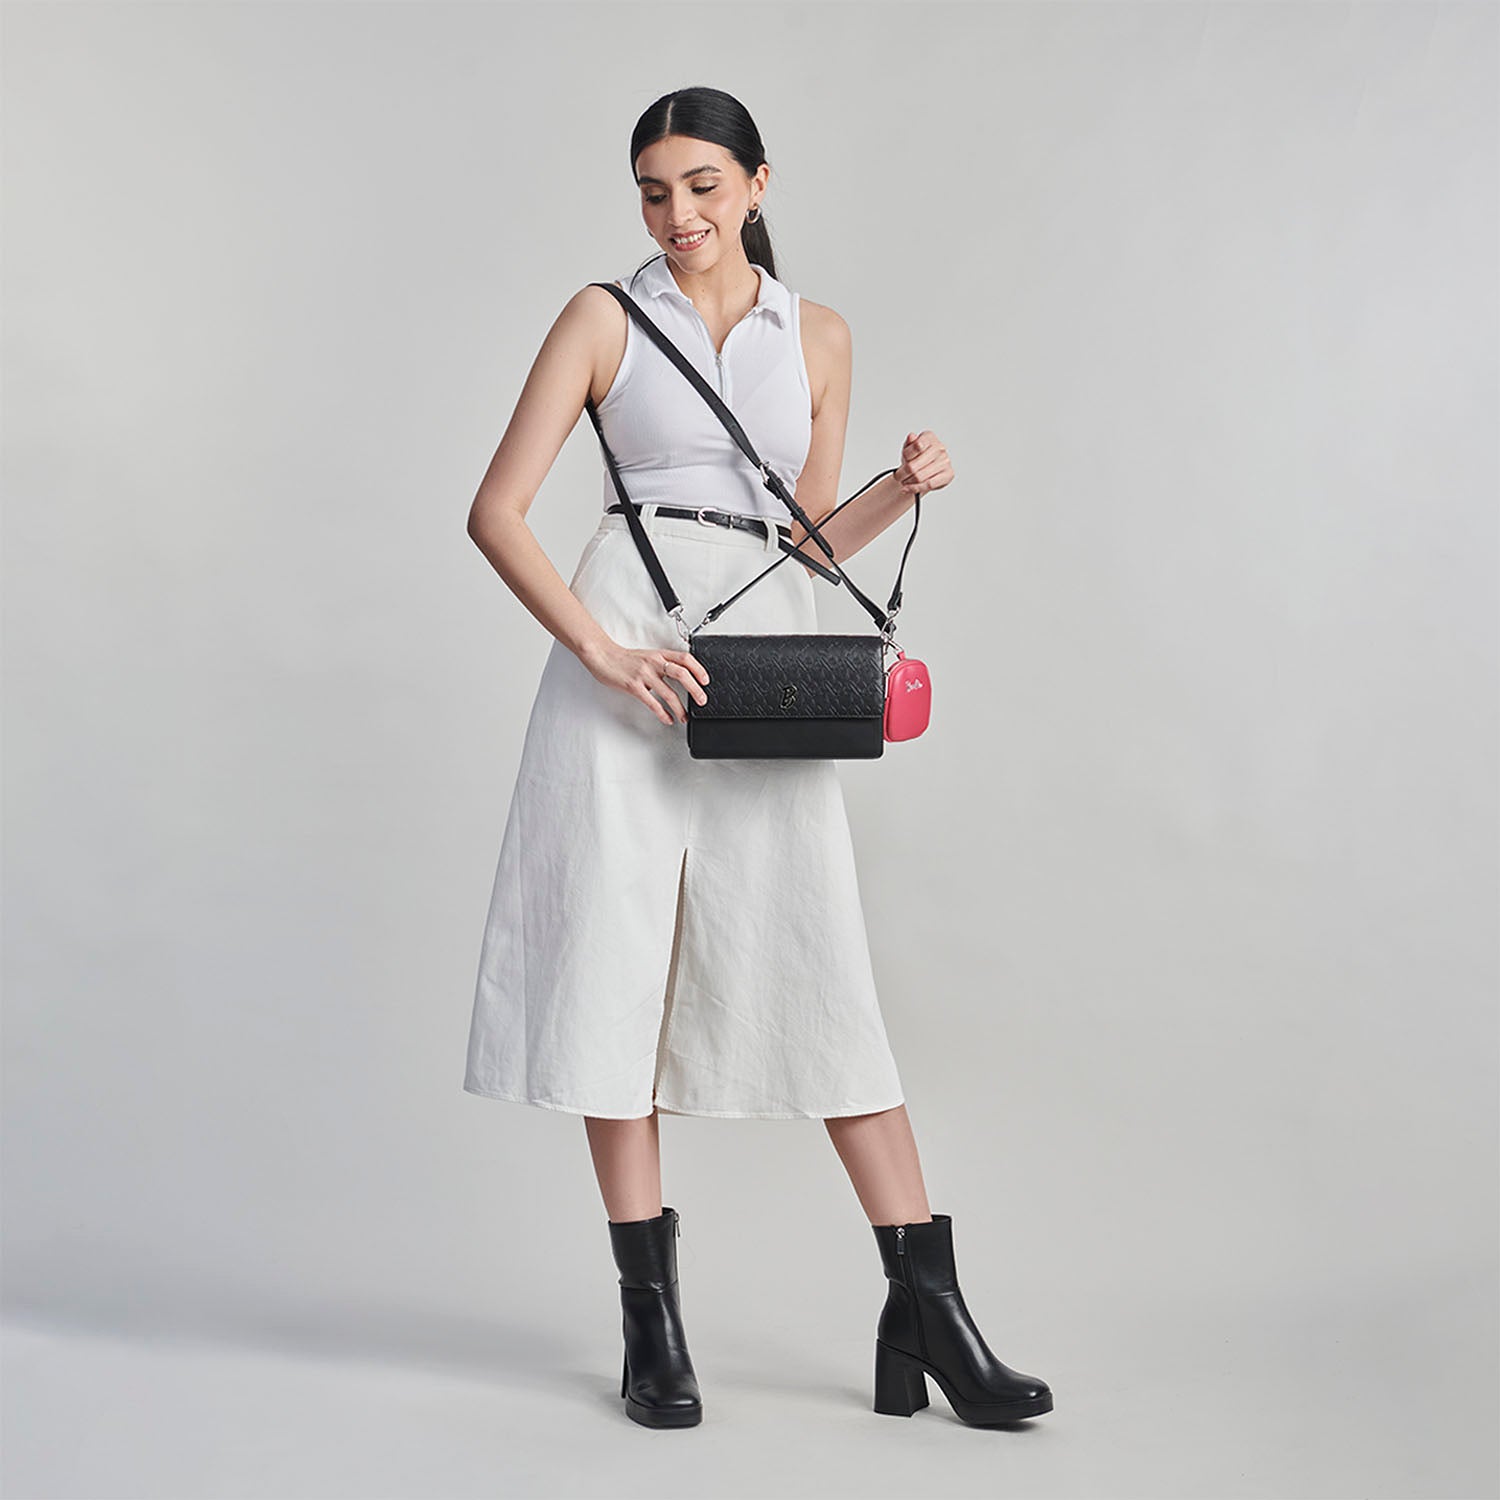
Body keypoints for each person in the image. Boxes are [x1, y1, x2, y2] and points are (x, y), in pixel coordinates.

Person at [462, 85, 1053, 1430]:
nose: (678, 214)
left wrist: (900, 487)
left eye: (703, 185)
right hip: (625, 674)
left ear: (758, 185)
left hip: (759, 667)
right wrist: (604, 653)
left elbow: (805, 545)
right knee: (614, 976)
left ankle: (926, 1309)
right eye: (654, 191)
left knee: (819, 965)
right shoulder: (602, 319)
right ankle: (651, 1326)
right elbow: (497, 511)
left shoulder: (818, 333)